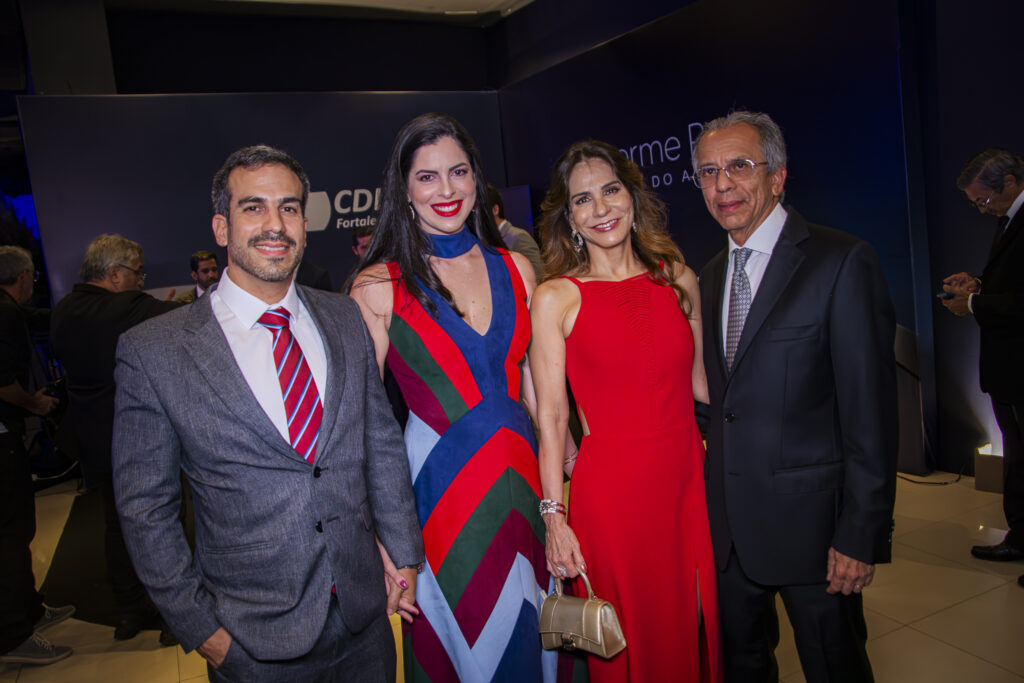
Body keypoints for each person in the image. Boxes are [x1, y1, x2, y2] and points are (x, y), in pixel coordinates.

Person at [112, 145, 423, 682]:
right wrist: (204, 633)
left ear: (305, 222)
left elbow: (380, 443)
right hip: (251, 643)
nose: (274, 225)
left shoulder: (344, 314)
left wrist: (404, 553)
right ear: (220, 226)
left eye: (289, 208)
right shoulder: (154, 352)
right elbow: (146, 510)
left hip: (365, 622)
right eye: (253, 207)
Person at [350, 113, 564, 682]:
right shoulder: (377, 286)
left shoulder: (518, 270)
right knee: (465, 643)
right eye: (427, 177)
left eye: (458, 172)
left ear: (476, 180)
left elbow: (541, 394)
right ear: (404, 189)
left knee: (539, 631)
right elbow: (361, 427)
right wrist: (382, 542)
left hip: (526, 479)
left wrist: (560, 499)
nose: (446, 190)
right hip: (440, 490)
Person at [693, 111, 897, 683]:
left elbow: (871, 414)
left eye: (739, 166)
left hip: (817, 538)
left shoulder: (841, 261)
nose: (722, 184)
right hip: (728, 535)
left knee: (836, 668)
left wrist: (861, 533)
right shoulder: (707, 276)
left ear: (778, 177)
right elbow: (718, 403)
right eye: (708, 172)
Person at [529, 140, 720, 682]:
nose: (602, 209)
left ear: (632, 198)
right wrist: (555, 517)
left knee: (689, 624)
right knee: (626, 639)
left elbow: (704, 388)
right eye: (583, 200)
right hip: (611, 497)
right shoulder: (556, 298)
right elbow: (552, 419)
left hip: (686, 485)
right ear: (570, 218)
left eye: (610, 190)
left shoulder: (678, 279)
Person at [50, 234, 182, 643]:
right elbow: (189, 317)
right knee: (160, 526)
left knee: (115, 526)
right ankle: (170, 617)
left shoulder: (63, 311)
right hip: (140, 441)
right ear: (114, 273)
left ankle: (128, 612)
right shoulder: (129, 308)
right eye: (137, 274)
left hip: (92, 441)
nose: (140, 281)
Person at [942, 149, 1024, 586]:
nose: (981, 208)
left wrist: (974, 302)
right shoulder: (1007, 220)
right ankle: (1020, 537)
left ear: (1009, 182)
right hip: (1007, 369)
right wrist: (979, 284)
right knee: (1018, 461)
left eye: (983, 200)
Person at [0, 245, 74, 666]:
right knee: (10, 535)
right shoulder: (6, 313)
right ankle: (13, 636)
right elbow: (2, 382)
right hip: (3, 438)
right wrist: (35, 404)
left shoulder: (11, 311)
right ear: (24, 277)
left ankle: (27, 611)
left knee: (18, 529)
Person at [486, 184, 544, 281]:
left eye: (481, 211)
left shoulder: (519, 237)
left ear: (495, 210)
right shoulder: (483, 242)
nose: (476, 217)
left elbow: (537, 278)